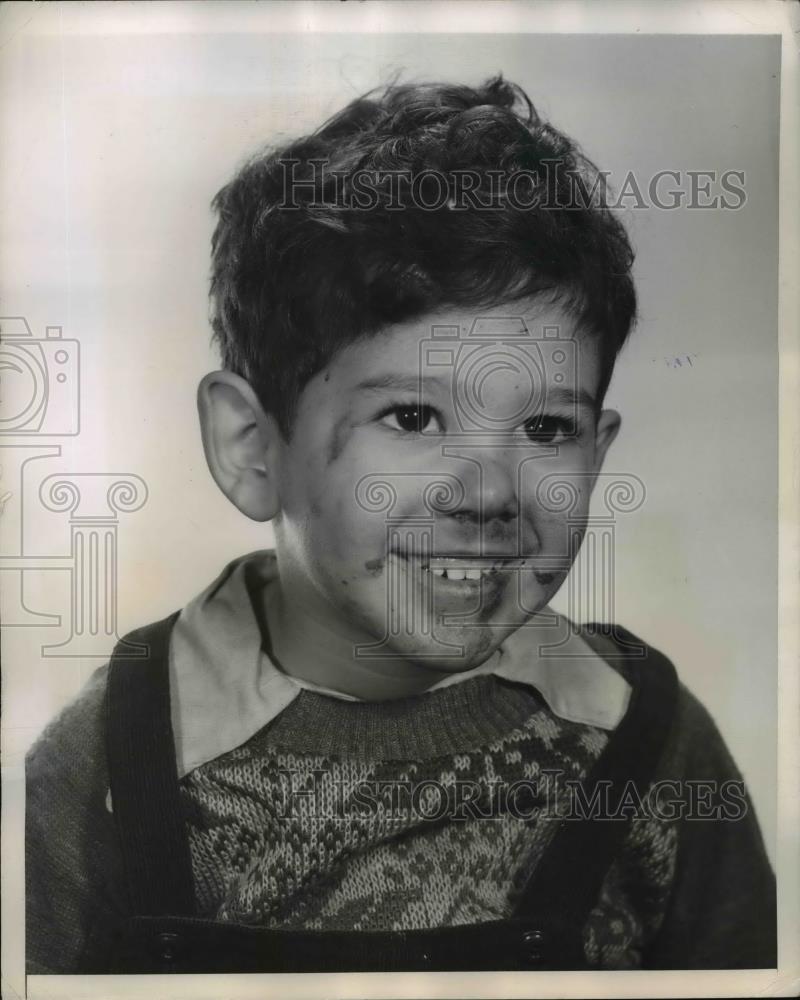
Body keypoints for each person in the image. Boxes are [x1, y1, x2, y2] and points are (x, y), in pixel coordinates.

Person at [26, 75, 776, 974]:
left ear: (599, 451)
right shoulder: (104, 768)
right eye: (415, 419)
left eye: (546, 428)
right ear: (253, 447)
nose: (490, 492)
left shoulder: (651, 740)